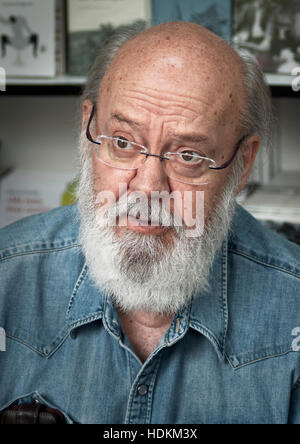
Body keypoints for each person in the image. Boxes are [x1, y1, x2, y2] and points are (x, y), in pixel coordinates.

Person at [0, 22, 299, 425]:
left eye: (189, 155)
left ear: (242, 164)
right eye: (123, 142)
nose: (146, 188)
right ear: (90, 129)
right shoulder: (6, 277)